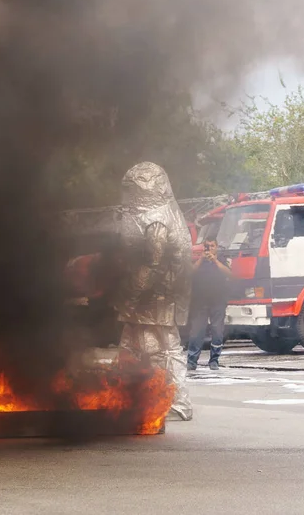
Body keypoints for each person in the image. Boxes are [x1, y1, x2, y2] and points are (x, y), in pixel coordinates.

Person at [116, 162, 193, 421]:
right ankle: (124, 397)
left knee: (166, 351)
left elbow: (152, 266)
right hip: (151, 297)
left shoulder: (157, 220)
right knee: (131, 347)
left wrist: (131, 296)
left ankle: (178, 404)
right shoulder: (160, 213)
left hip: (158, 298)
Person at [187, 237, 231, 371]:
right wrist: (201, 259)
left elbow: (229, 273)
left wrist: (215, 260)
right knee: (196, 332)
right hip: (200, 302)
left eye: (212, 246)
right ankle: (192, 361)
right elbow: (190, 273)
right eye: (207, 246)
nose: (209, 249)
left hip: (218, 301)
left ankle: (214, 360)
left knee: (217, 331)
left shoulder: (222, 260)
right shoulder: (198, 261)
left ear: (216, 247)